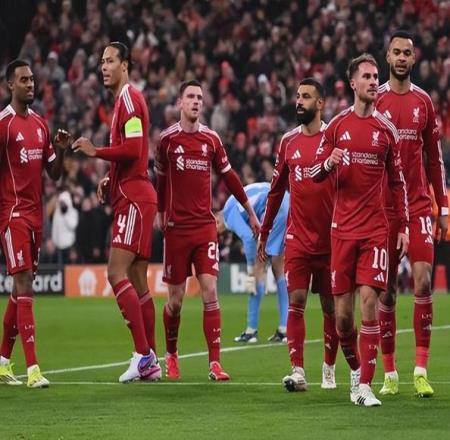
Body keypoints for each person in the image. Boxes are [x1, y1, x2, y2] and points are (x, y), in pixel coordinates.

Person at [312, 54, 409, 406]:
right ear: (353, 83)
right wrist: (328, 162)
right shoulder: (336, 126)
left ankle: (365, 385)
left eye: (375, 76)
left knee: (370, 302)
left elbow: (398, 183)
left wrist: (404, 226)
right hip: (341, 232)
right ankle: (355, 370)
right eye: (366, 76)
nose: (372, 81)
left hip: (375, 231)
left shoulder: (387, 131)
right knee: (343, 319)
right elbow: (313, 173)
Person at [155, 80, 260, 381]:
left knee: (210, 290)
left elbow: (230, 178)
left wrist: (251, 213)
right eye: (190, 96)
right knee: (175, 301)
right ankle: (171, 354)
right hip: (177, 229)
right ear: (179, 102)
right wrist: (161, 213)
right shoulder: (166, 140)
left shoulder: (211, 140)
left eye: (200, 97)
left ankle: (215, 363)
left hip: (204, 226)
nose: (196, 101)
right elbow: (160, 181)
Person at [72, 42, 159, 383]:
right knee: (137, 280)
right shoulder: (124, 102)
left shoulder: (129, 99)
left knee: (115, 272)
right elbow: (132, 153)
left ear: (125, 65)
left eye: (110, 61)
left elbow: (134, 149)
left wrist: (96, 152)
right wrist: (113, 176)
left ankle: (143, 354)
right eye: (101, 62)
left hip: (134, 198)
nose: (104, 67)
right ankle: (151, 361)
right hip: (133, 193)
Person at [258, 78, 351, 392]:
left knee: (330, 308)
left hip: (330, 240)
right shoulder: (288, 142)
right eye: (298, 96)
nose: (299, 101)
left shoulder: (334, 138)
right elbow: (275, 191)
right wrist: (264, 231)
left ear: (320, 103)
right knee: (296, 300)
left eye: (306, 96)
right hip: (297, 237)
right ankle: (297, 371)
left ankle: (329, 368)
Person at [376, 30, 448, 397]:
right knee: (387, 292)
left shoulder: (424, 102)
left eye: (407, 52)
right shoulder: (375, 101)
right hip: (384, 211)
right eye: (397, 52)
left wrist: (443, 205)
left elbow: (434, 159)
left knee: (422, 281)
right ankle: (390, 373)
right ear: (388, 57)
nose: (402, 58)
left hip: (418, 205)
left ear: (414, 59)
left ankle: (421, 370)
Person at [0, 59, 70, 387]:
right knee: (25, 284)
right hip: (12, 214)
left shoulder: (40, 124)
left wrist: (61, 150)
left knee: (19, 290)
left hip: (36, 217)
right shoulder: (4, 124)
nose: (30, 84)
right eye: (23, 80)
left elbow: (54, 174)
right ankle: (33, 369)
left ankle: (2, 362)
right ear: (9, 85)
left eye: (31, 79)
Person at [217, 182, 289, 344]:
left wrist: (252, 269)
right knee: (279, 268)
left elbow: (249, 238)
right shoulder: (232, 202)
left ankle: (251, 331)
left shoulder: (228, 214)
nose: (220, 235)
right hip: (286, 201)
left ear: (216, 221)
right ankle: (284, 329)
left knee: (255, 276)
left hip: (275, 208)